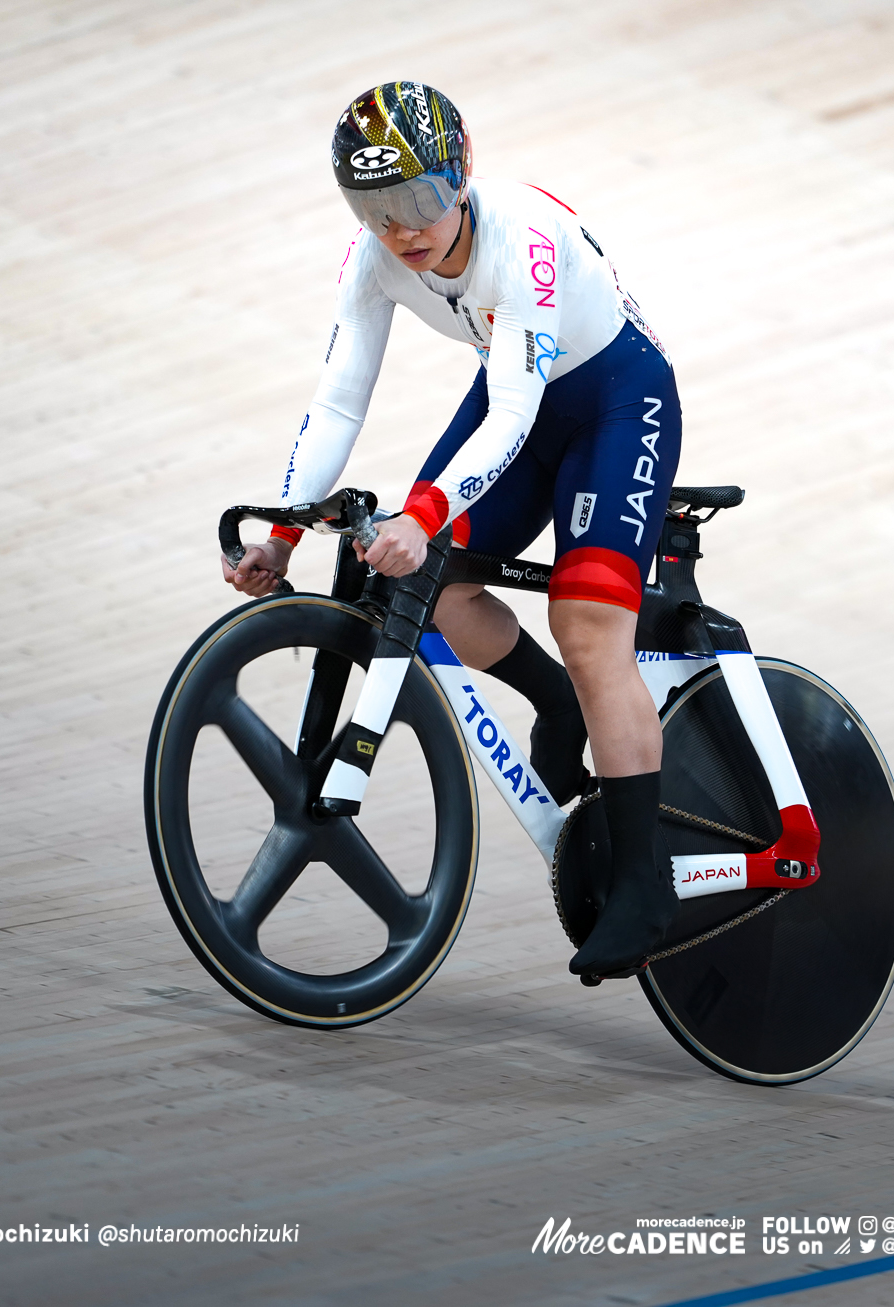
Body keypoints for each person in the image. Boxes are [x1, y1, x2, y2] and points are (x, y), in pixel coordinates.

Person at [221, 81, 682, 977]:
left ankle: (645, 882)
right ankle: (554, 700)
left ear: (462, 173)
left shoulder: (525, 242)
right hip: (523, 390)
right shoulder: (374, 258)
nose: (404, 229)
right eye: (376, 209)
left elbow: (510, 416)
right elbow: (339, 398)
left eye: (421, 200)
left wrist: (424, 514)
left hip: (615, 401)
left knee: (589, 627)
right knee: (426, 587)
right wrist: (285, 535)